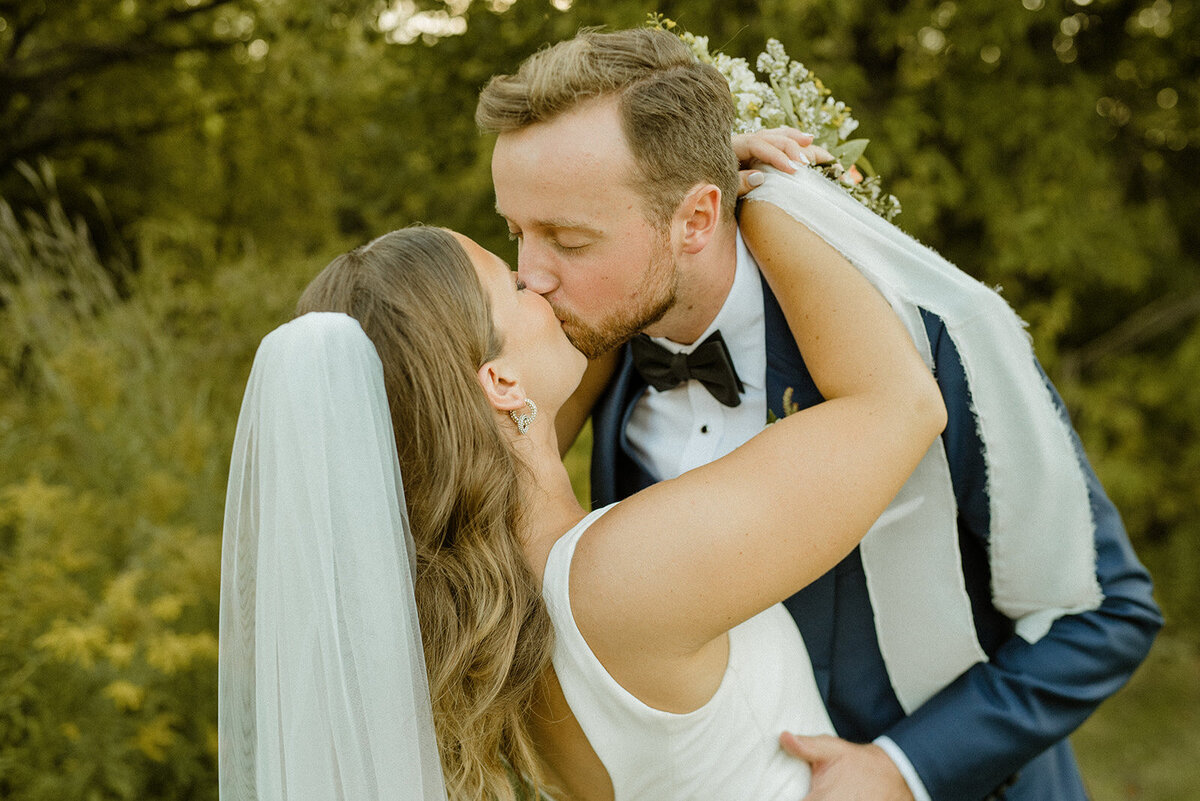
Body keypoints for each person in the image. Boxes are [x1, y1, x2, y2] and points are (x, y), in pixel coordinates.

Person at [475, 26, 1162, 801]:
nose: (530, 278)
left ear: (697, 220)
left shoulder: (927, 339)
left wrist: (907, 769)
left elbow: (1104, 614)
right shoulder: (594, 361)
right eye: (516, 232)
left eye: (568, 237)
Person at [218, 210, 945, 801]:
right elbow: (904, 405)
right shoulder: (620, 575)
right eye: (514, 283)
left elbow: (553, 368)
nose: (541, 280)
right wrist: (758, 198)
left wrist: (654, 216)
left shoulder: (477, 613)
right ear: (500, 383)